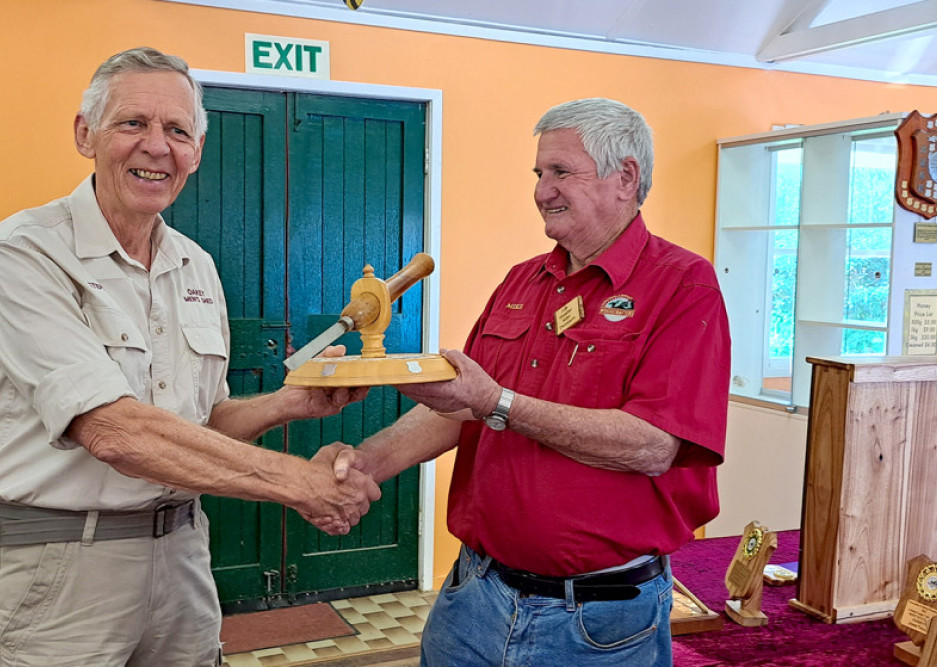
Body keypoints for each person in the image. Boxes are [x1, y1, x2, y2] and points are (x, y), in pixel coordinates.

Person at [0, 47, 381, 667]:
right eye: (132, 124)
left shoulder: (195, 264)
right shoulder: (24, 255)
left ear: (197, 152)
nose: (157, 147)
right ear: (84, 133)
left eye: (178, 130)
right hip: (62, 565)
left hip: (182, 554)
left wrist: (286, 404)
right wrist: (296, 483)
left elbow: (195, 424)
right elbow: (116, 431)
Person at [332, 98, 731, 665]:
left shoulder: (684, 285)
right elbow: (463, 407)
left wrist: (499, 402)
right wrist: (362, 467)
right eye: (539, 174)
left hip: (599, 621)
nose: (542, 189)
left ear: (626, 177)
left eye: (561, 172)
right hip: (474, 595)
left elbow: (652, 445)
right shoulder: (523, 280)